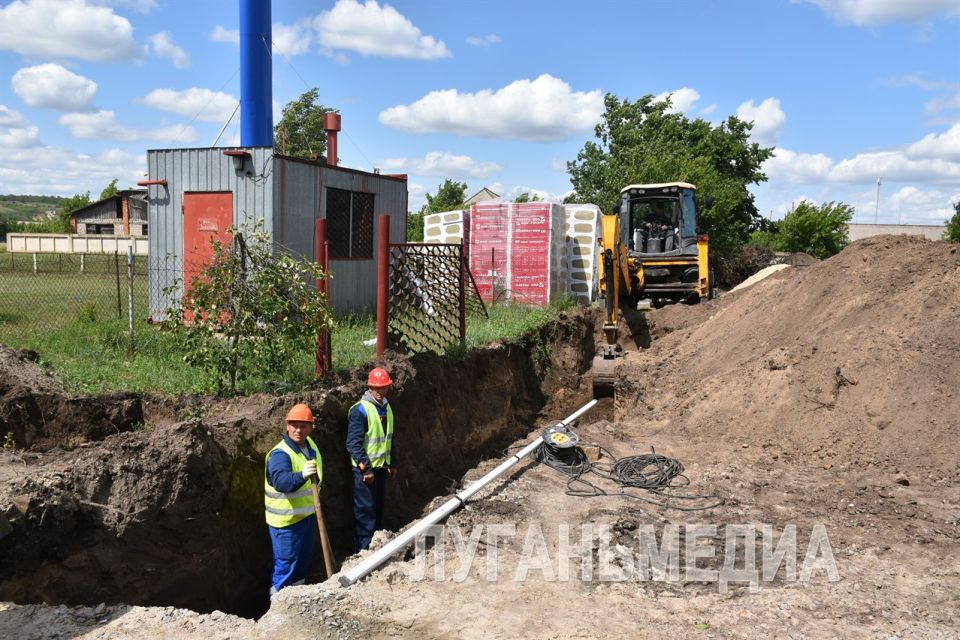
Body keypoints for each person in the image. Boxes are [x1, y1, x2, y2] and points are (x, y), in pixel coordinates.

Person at [264, 403, 323, 595]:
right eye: (294, 425)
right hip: (286, 523)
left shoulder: (311, 446)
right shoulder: (280, 454)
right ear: (287, 426)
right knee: (285, 567)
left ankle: (297, 602)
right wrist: (301, 475)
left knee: (302, 563)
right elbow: (281, 482)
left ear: (311, 427)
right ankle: (279, 609)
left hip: (306, 516)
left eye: (303, 426)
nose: (298, 430)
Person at [347, 367, 396, 551]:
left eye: (384, 387)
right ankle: (364, 551)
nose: (381, 391)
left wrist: (392, 463)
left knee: (377, 510)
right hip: (365, 473)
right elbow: (353, 444)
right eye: (377, 388)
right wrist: (365, 469)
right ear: (369, 387)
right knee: (365, 513)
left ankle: (376, 546)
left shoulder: (386, 407)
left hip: (381, 469)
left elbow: (389, 438)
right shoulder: (360, 410)